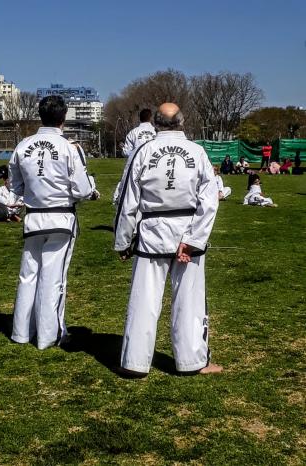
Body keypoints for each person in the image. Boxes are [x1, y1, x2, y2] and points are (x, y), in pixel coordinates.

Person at [114, 102, 222, 378]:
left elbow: (128, 202)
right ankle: (191, 361)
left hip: (152, 231)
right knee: (189, 299)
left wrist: (123, 241)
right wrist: (194, 239)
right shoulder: (197, 152)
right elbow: (209, 202)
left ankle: (135, 363)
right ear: (182, 122)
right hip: (187, 229)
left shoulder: (143, 151)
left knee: (144, 299)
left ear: (156, 123)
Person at [9, 95, 98, 350]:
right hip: (60, 217)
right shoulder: (69, 148)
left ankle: (21, 332)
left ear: (40, 115)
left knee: (28, 275)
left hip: (33, 216)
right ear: (63, 117)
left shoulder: (23, 145)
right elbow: (81, 190)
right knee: (53, 277)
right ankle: (50, 335)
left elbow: (15, 186)